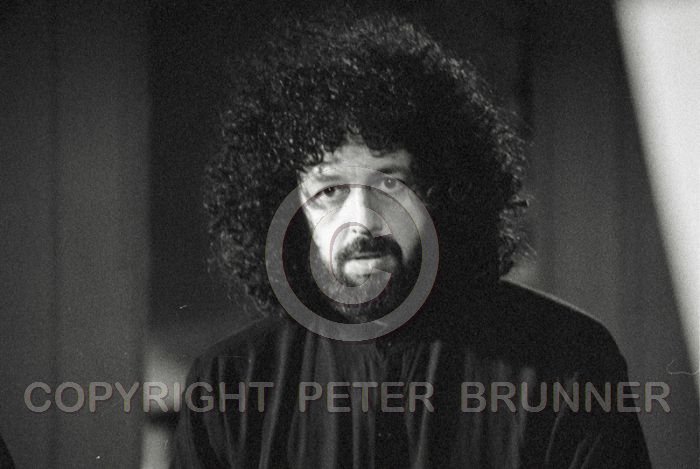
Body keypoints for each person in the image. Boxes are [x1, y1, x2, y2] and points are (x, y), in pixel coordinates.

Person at [172, 8, 651, 468]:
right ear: (289, 207)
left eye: (389, 183)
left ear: (440, 191)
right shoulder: (229, 385)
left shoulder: (568, 361)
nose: (362, 221)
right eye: (330, 190)